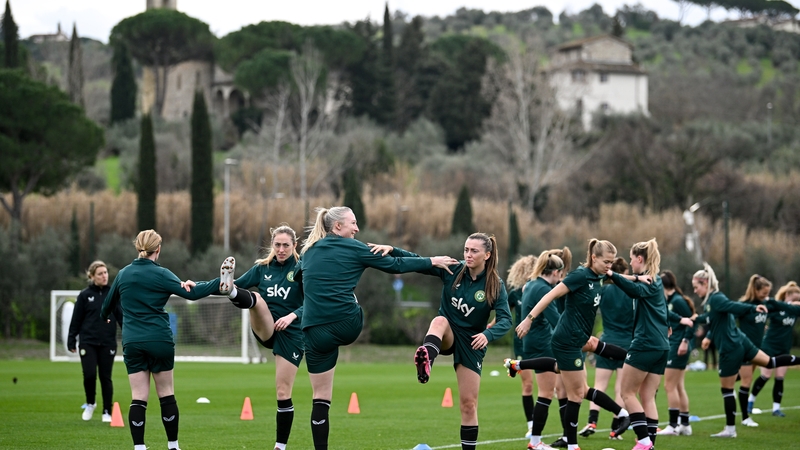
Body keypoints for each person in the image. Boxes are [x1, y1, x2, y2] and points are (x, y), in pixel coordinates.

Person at [296, 206, 457, 450]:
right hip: (347, 324)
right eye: (353, 223)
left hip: (312, 330)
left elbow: (298, 278)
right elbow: (395, 265)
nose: (357, 228)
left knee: (320, 397)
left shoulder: (308, 251)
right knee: (353, 303)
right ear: (338, 226)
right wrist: (431, 260)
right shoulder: (355, 247)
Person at [100, 230, 223, 450]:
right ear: (158, 249)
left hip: (133, 342)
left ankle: (139, 447)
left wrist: (110, 318)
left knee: (138, 397)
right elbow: (192, 295)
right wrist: (220, 283)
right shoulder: (163, 274)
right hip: (159, 340)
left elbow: (105, 308)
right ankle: (173, 446)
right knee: (166, 394)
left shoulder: (123, 274)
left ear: (137, 248)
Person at [508, 239, 631, 450]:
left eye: (612, 262)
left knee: (578, 387)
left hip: (575, 339)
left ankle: (621, 412)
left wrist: (641, 279)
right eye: (606, 261)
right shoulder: (580, 276)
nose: (610, 265)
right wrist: (528, 318)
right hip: (567, 340)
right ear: (594, 258)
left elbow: (617, 277)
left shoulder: (600, 275)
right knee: (575, 393)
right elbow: (551, 296)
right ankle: (571, 443)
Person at [409, 232, 511, 450]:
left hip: (472, 342)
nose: (468, 254)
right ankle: (427, 360)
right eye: (466, 249)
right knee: (439, 321)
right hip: (447, 333)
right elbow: (417, 261)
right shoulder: (453, 269)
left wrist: (487, 335)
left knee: (468, 405)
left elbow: (505, 320)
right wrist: (391, 250)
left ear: (487, 255)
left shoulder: (494, 284)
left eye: (474, 251)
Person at [220, 224, 305, 450]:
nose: (281, 249)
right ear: (272, 245)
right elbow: (224, 284)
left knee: (283, 392)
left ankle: (280, 446)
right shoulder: (262, 268)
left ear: (294, 245)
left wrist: (293, 316)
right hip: (265, 328)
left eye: (286, 245)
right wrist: (193, 286)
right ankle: (235, 295)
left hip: (292, 333)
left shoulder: (303, 269)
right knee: (254, 298)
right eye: (277, 244)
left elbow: (315, 302)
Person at [693, 263, 800, 438]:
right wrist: (697, 319)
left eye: (696, 287)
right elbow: (713, 317)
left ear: (705, 284)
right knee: (771, 363)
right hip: (744, 342)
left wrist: (752, 308)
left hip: (730, 347)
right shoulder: (711, 302)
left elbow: (733, 306)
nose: (695, 290)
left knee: (727, 390)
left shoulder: (716, 298)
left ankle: (730, 429)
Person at [608, 239, 692, 450]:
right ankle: (650, 444)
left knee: (627, 394)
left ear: (639, 259)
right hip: (661, 346)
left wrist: (611, 274)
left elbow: (631, 289)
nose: (630, 262)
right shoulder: (654, 281)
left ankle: (644, 442)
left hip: (645, 344)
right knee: (647, 397)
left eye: (631, 259)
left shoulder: (649, 282)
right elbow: (661, 309)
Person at [511, 250, 565, 450]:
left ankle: (563, 436)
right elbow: (555, 320)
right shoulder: (543, 289)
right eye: (560, 273)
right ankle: (535, 442)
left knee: (554, 390)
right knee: (546, 393)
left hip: (531, 343)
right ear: (555, 272)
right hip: (543, 343)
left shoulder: (531, 284)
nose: (561, 277)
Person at [579, 257, 634, 440]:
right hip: (626, 343)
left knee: (599, 385)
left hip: (606, 341)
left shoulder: (604, 290)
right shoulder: (630, 292)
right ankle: (614, 428)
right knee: (620, 388)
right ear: (624, 273)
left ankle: (592, 422)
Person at [67, 261, 121, 423]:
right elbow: (76, 319)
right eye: (100, 273)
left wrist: (130, 336)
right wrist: (71, 340)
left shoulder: (113, 293)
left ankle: (107, 410)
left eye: (105, 273)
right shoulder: (84, 295)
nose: (104, 276)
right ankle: (90, 403)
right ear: (91, 276)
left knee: (106, 377)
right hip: (87, 342)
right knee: (89, 375)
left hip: (108, 342)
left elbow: (121, 317)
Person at [747, 281, 800, 418]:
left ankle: (776, 409)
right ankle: (750, 401)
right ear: (787, 295)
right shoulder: (775, 307)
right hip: (769, 346)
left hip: (784, 347)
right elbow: (762, 314)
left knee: (780, 377)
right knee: (765, 376)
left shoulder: (794, 310)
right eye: (795, 299)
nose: (797, 302)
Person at [656, 269, 697, 436]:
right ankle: (685, 424)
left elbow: (691, 322)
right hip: (675, 343)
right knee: (679, 386)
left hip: (677, 345)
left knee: (669, 385)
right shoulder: (671, 300)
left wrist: (685, 342)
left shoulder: (678, 301)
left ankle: (673, 426)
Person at [504, 254, 538, 438]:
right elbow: (504, 314)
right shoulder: (515, 294)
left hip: (541, 342)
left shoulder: (541, 289)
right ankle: (532, 426)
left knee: (554, 387)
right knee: (528, 385)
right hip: (521, 345)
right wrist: (491, 326)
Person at [734, 274, 772, 426]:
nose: (766, 296)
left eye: (768, 293)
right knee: (747, 381)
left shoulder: (765, 304)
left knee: (745, 379)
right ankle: (745, 418)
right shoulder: (744, 305)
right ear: (755, 290)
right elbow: (729, 318)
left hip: (757, 348)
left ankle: (728, 382)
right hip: (745, 348)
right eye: (763, 293)